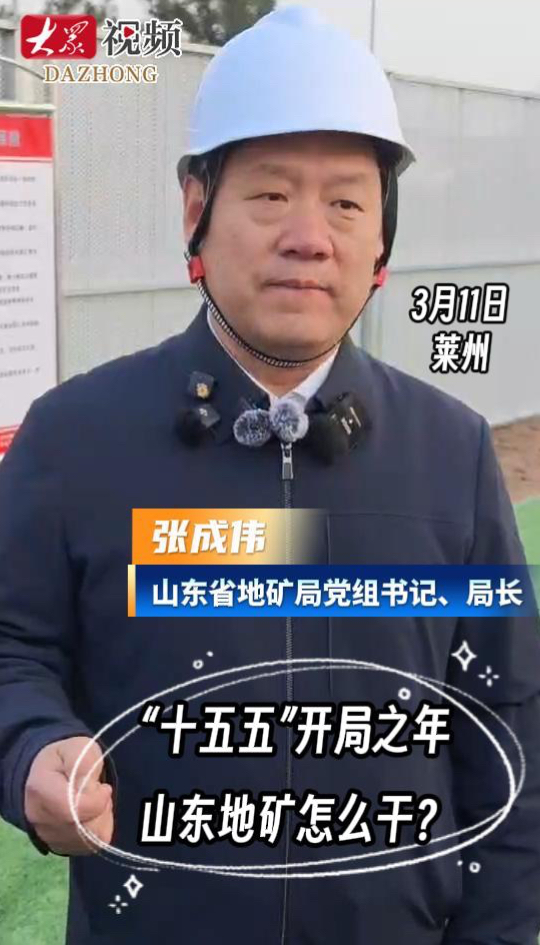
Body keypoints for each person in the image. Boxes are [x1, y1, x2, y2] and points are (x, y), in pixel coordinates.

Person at [1, 6, 539, 945]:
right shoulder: (74, 439)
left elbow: (505, 712)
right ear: (195, 209)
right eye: (271, 194)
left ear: (382, 238)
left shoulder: (450, 451)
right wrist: (32, 748)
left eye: (347, 203)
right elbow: (12, 649)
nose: (309, 236)